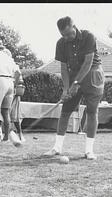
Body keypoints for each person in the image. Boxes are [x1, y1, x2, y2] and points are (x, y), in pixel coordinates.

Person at [43, 16, 105, 160]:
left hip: (93, 74)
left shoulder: (88, 36)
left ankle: (89, 151)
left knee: (91, 112)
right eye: (63, 35)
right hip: (73, 74)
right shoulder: (61, 43)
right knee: (65, 112)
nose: (67, 37)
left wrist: (76, 84)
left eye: (69, 33)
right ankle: (57, 148)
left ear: (74, 27)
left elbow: (88, 62)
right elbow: (64, 68)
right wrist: (66, 89)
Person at [3, 49, 26, 142]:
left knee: (14, 115)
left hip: (14, 93)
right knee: (5, 114)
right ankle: (6, 135)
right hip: (5, 92)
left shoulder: (13, 65)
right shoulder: (3, 66)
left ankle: (20, 134)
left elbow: (19, 76)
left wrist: (13, 85)